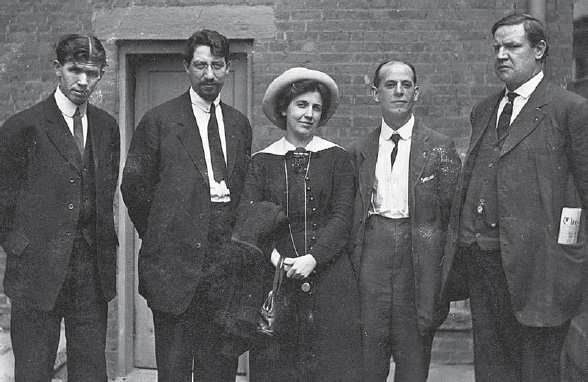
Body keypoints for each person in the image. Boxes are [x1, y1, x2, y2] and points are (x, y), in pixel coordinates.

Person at [441, 13, 588, 381]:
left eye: (512, 46)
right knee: (492, 368)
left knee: (538, 369)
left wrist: (572, 257)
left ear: (539, 50)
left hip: (542, 269)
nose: (501, 55)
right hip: (485, 263)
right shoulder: (485, 109)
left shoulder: (569, 109)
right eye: (497, 48)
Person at [121, 29, 252, 381]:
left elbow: (242, 193)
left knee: (218, 371)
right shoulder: (159, 121)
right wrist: (166, 234)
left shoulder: (239, 125)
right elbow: (133, 188)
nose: (209, 74)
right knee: (175, 371)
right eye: (201, 65)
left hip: (223, 273)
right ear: (186, 67)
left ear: (228, 68)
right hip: (175, 269)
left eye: (217, 65)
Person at [0, 34, 119, 381]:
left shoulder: (105, 126)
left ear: (101, 74)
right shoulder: (24, 126)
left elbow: (105, 192)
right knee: (34, 369)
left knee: (89, 371)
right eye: (74, 70)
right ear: (57, 69)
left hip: (91, 273)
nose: (83, 81)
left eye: (92, 73)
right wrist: (19, 246)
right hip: (36, 271)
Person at [242, 67, 362, 381]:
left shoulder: (337, 159)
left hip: (331, 280)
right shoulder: (261, 162)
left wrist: (313, 258)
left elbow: (341, 217)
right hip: (277, 282)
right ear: (284, 108)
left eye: (316, 108)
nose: (309, 114)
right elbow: (251, 219)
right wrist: (277, 261)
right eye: (302, 105)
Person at [348, 60, 461, 381]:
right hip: (372, 262)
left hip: (417, 267)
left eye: (406, 85)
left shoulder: (439, 147)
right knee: (368, 361)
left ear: (416, 92)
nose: (399, 91)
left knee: (413, 362)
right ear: (375, 93)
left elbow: (451, 218)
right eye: (390, 85)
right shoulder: (359, 150)